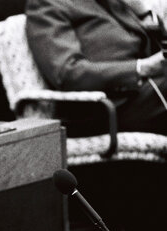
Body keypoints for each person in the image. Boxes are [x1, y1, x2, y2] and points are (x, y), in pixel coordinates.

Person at [26, 0, 167, 136]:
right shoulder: (46, 3)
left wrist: (144, 15)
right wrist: (142, 67)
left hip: (143, 91)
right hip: (102, 108)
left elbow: (154, 46)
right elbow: (68, 73)